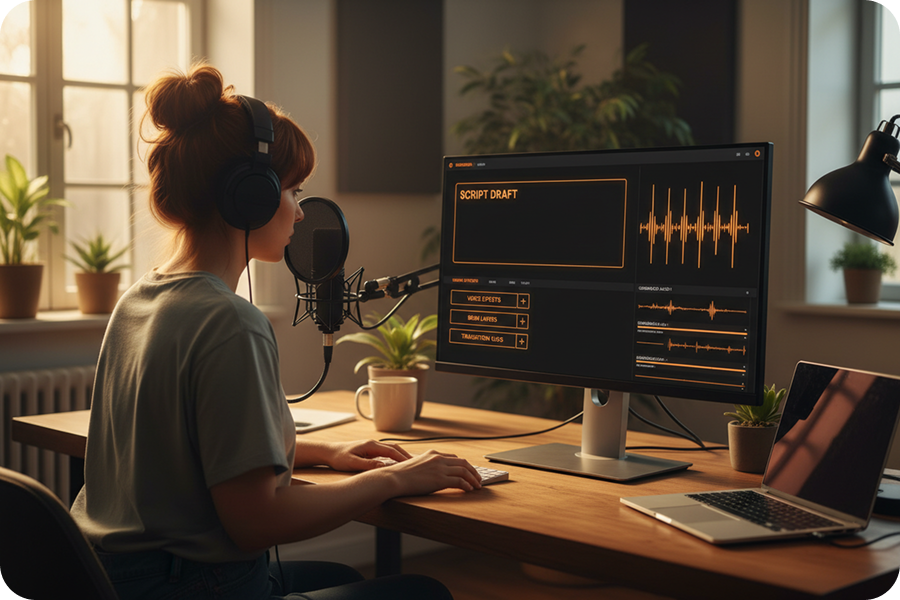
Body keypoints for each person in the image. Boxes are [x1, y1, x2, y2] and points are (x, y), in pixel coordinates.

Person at [70, 62, 481, 599]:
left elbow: (199, 455)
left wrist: (328, 455)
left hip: (119, 581)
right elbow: (257, 522)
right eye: (293, 191)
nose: (302, 214)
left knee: (342, 579)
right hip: (197, 587)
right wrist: (395, 478)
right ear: (251, 196)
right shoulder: (230, 322)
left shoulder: (138, 301)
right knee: (423, 591)